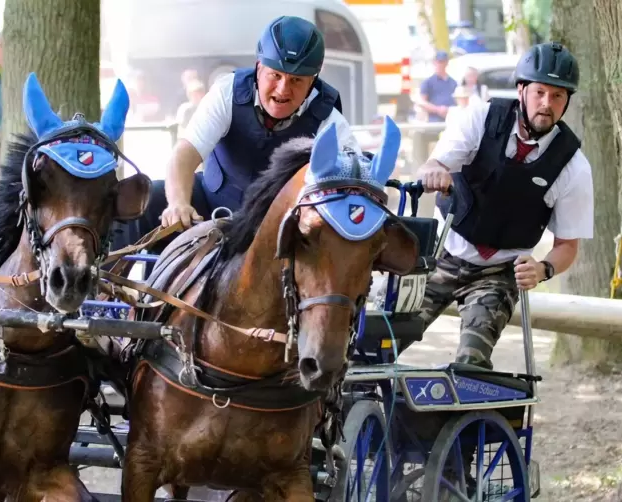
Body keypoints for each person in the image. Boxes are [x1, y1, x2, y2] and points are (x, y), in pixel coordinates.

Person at [111, 15, 361, 257]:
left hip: (279, 230)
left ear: (313, 81)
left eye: (296, 80)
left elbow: (356, 178)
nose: (283, 89)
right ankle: (107, 289)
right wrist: (178, 203)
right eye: (275, 75)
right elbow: (185, 153)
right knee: (150, 197)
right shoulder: (227, 92)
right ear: (259, 68)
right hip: (209, 207)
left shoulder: (329, 120)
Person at [416, 41, 594, 371]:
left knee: (471, 364)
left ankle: (465, 420)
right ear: (522, 89)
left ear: (567, 101)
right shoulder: (481, 118)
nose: (547, 104)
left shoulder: (574, 166)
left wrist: (543, 269)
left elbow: (568, 245)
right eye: (540, 92)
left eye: (557, 96)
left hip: (498, 273)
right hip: (444, 255)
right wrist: (435, 168)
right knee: (380, 340)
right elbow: (437, 162)